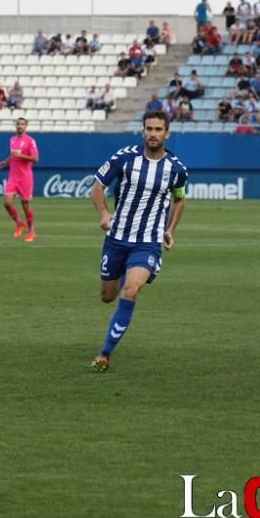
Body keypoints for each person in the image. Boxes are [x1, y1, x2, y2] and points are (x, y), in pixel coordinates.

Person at [90, 111, 189, 371]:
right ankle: (126, 274)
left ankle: (105, 354)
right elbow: (98, 185)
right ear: (142, 131)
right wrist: (103, 213)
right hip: (117, 239)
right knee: (107, 297)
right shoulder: (125, 158)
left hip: (148, 242)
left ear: (167, 134)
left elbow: (179, 200)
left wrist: (170, 229)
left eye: (158, 129)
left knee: (131, 290)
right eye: (149, 129)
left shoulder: (176, 169)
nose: (153, 134)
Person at [0, 118, 39, 242]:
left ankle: (31, 231)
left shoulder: (30, 141)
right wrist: (5, 162)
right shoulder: (12, 140)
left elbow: (35, 159)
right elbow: (13, 155)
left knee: (25, 205)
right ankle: (19, 223)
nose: (20, 126)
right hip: (13, 177)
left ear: (26, 126)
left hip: (25, 177)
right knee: (6, 202)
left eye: (22, 124)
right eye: (18, 124)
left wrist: (20, 155)